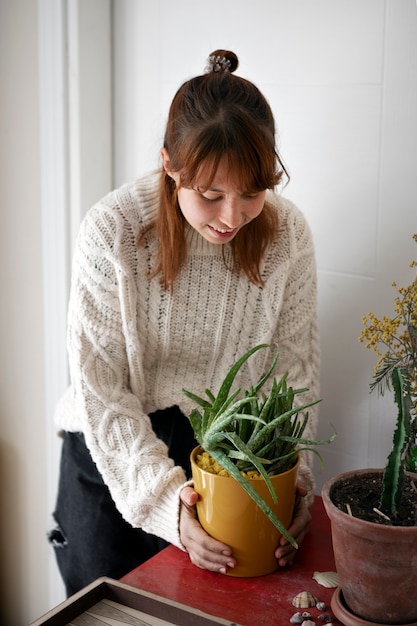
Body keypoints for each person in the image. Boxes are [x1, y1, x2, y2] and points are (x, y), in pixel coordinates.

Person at [49, 49, 320, 597]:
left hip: (228, 458)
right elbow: (102, 389)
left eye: (251, 193)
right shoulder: (113, 232)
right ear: (170, 165)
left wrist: (296, 484)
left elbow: (294, 375)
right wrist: (167, 505)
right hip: (112, 461)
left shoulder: (287, 235)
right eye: (211, 195)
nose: (230, 217)